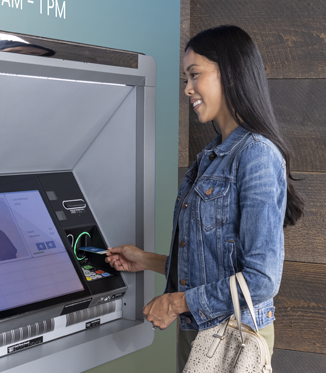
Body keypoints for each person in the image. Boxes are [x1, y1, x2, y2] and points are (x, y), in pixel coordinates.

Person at [105, 25, 304, 372]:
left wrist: (176, 302)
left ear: (228, 72)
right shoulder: (211, 156)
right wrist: (146, 261)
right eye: (186, 78)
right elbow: (212, 260)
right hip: (200, 331)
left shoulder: (257, 155)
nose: (187, 88)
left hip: (234, 339)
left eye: (194, 75)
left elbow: (261, 279)